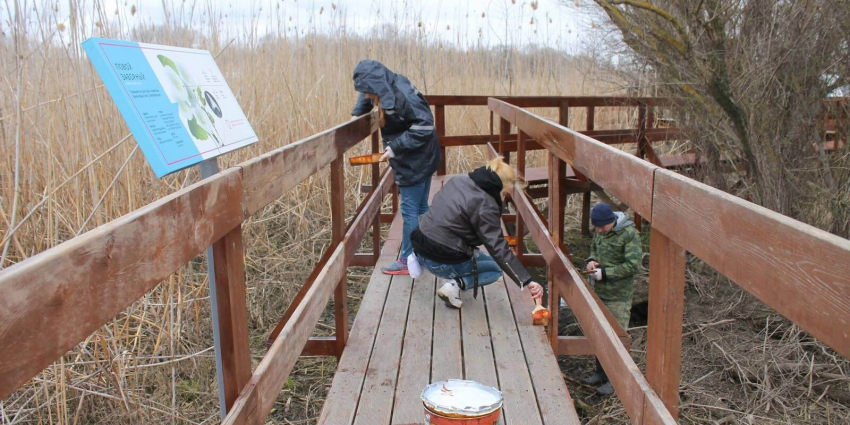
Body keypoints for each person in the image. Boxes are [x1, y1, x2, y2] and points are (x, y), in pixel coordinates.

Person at [410, 157, 544, 308]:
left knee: (485, 260)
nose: (505, 197)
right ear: (502, 186)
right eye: (506, 193)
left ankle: (415, 258)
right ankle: (455, 284)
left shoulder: (459, 179)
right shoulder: (487, 204)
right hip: (439, 261)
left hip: (419, 243)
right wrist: (526, 280)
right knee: (495, 270)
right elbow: (497, 247)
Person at [351, 60, 441, 276]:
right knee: (420, 208)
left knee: (411, 209)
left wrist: (395, 147)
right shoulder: (386, 86)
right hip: (419, 155)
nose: (365, 96)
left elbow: (425, 126)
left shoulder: (402, 95)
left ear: (377, 86)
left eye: (367, 92)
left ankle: (407, 259)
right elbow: (367, 95)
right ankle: (425, 251)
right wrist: (356, 114)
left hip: (417, 158)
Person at [581, 203, 642, 395]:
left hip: (618, 297)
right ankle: (601, 373)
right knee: (599, 334)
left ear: (612, 221)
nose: (599, 230)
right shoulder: (600, 230)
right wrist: (591, 261)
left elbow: (633, 266)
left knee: (616, 339)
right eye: (597, 227)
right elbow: (594, 250)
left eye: (602, 227)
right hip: (598, 292)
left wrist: (606, 273)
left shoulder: (630, 234)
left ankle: (615, 380)